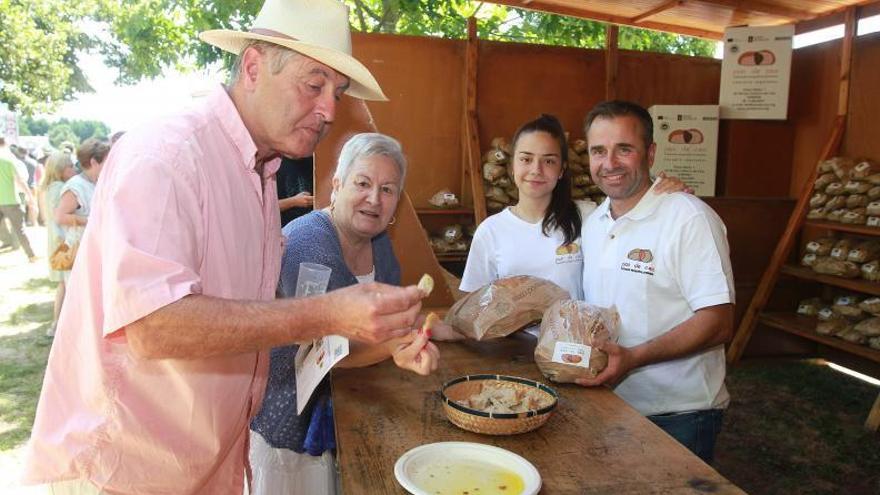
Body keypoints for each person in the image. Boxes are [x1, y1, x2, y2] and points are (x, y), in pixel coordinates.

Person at [22, 1, 424, 494]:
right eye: (313, 84)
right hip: (128, 472)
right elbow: (153, 324)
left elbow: (250, 317)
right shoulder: (170, 153)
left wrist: (381, 340)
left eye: (337, 93)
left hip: (207, 465)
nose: (328, 111)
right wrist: (330, 313)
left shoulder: (261, 170)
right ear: (252, 66)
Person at [250, 133, 454, 494]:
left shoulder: (380, 245)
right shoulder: (307, 244)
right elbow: (316, 350)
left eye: (388, 189)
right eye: (363, 183)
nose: (374, 199)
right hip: (293, 427)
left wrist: (422, 329)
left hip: (350, 412)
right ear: (337, 185)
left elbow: (387, 319)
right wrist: (392, 346)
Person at [577, 100, 735, 464]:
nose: (610, 163)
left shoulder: (688, 218)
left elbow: (718, 322)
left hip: (679, 415)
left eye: (624, 149)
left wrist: (634, 358)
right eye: (598, 151)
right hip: (610, 404)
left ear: (650, 153)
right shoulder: (596, 221)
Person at [461, 114, 687, 300]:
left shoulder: (590, 217)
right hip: (511, 351)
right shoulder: (491, 231)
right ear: (511, 167)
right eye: (526, 159)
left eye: (549, 161)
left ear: (561, 170)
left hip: (574, 348)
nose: (536, 170)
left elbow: (633, 209)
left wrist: (664, 190)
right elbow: (470, 305)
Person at [54, 138, 110, 281]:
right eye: (106, 161)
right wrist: (89, 221)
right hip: (79, 250)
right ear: (93, 162)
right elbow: (60, 217)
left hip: (95, 248)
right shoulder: (75, 186)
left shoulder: (98, 182)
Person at [40, 151, 78, 335]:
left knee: (64, 284)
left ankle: (58, 324)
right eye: (70, 166)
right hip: (62, 241)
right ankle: (57, 324)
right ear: (60, 169)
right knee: (65, 284)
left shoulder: (50, 187)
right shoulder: (58, 188)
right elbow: (59, 219)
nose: (73, 168)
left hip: (57, 240)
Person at [0, 136, 37, 262]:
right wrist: (30, 198)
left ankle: (12, 243)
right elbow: (21, 181)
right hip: (12, 199)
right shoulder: (10, 161)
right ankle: (31, 255)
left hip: (7, 200)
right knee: (20, 229)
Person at [278, 155, 315, 227]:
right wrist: (294, 201)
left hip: (311, 226)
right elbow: (266, 208)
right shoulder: (274, 163)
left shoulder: (313, 159)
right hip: (285, 230)